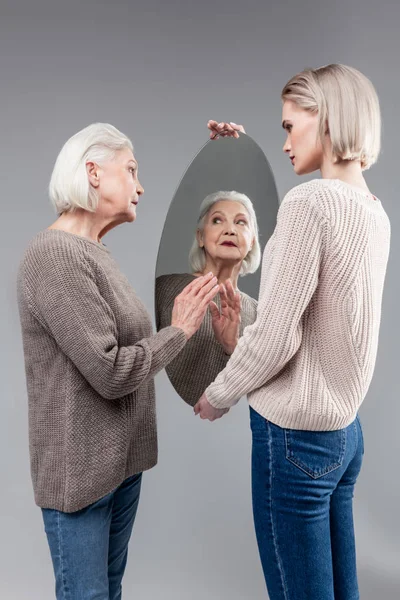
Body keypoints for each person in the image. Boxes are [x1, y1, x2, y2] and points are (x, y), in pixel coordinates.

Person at [194, 64, 391, 600]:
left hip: (294, 437)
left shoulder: (309, 206)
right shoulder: (374, 213)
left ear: (324, 118)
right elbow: (318, 316)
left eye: (288, 127)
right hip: (343, 437)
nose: (284, 141)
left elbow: (280, 335)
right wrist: (239, 152)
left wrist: (219, 394)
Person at [16, 123, 222, 600]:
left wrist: (218, 154)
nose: (140, 185)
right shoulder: (54, 257)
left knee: (108, 592)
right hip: (83, 477)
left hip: (118, 467)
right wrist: (179, 331)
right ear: (92, 172)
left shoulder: (94, 253)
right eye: (130, 170)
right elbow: (110, 372)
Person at [156, 190, 260, 405]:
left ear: (251, 243)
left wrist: (233, 348)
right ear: (200, 237)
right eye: (217, 220)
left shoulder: (259, 315)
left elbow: (259, 393)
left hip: (222, 432)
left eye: (241, 223)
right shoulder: (164, 289)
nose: (230, 230)